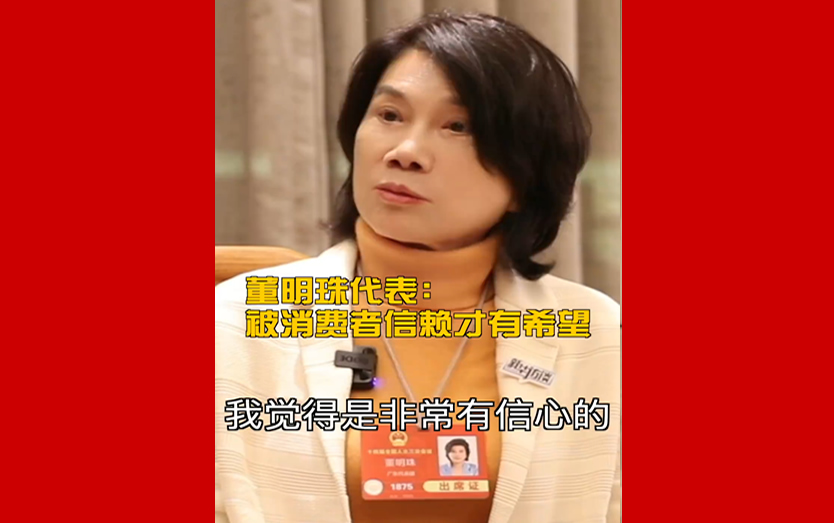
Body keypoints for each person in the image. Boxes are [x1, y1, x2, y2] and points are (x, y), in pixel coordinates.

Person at [216, 11, 621, 523]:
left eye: (458, 126)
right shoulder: (232, 322)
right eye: (389, 115)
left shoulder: (598, 334)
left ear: (525, 177)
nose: (405, 152)